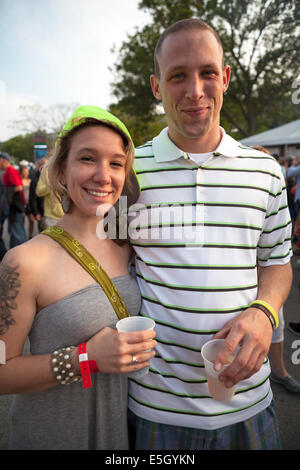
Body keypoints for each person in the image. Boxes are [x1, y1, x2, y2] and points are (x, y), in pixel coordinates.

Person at [127, 19, 292, 450]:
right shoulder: (128, 173)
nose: (195, 90)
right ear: (156, 87)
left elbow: (278, 262)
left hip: (249, 403)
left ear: (226, 78)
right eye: (177, 75)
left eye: (207, 73)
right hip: (155, 409)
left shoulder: (267, 172)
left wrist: (265, 311)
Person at [0, 105, 156, 450]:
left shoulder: (127, 246)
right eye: (87, 159)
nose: (103, 176)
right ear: (61, 171)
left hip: (117, 435)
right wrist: (84, 358)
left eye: (116, 163)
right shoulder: (24, 262)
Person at [251, 147, 300, 393]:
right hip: (243, 282)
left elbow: (279, 254)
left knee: (276, 324)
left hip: (267, 281)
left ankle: (279, 371)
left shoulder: (272, 189)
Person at [0, 152, 27, 248]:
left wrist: (8, 192)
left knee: (18, 233)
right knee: (13, 232)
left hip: (15, 207)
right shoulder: (7, 171)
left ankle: (25, 256)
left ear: (3, 161)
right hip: (12, 207)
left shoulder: (11, 171)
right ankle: (13, 255)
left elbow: (19, 187)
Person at [36, 162, 64, 227]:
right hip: (52, 217)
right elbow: (39, 191)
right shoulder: (47, 170)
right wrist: (52, 184)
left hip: (72, 216)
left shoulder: (72, 165)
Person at [27, 158, 47, 232]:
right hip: (42, 213)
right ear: (39, 166)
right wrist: (36, 212)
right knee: (45, 236)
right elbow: (32, 197)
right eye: (44, 165)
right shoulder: (35, 179)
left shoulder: (51, 177)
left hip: (53, 214)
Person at [20, 165, 34, 239]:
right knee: (22, 222)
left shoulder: (30, 181)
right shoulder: (19, 181)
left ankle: (30, 236)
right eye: (24, 172)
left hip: (29, 204)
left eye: (27, 172)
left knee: (32, 221)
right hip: (22, 203)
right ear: (21, 172)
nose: (26, 173)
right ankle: (22, 236)